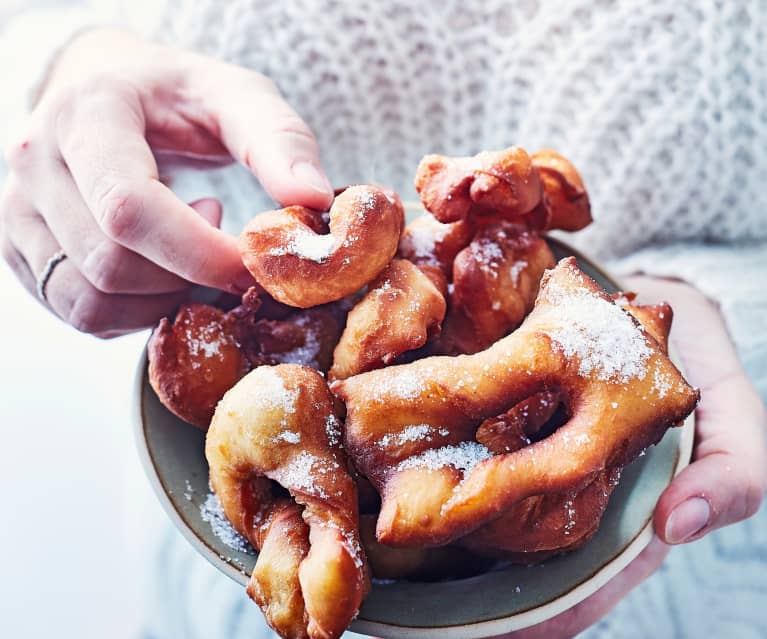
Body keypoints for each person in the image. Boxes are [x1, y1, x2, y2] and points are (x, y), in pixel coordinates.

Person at [1, 2, 765, 637]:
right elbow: (108, 29)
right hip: (236, 507)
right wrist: (89, 71)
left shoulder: (442, 333)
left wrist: (697, 295)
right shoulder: (337, 363)